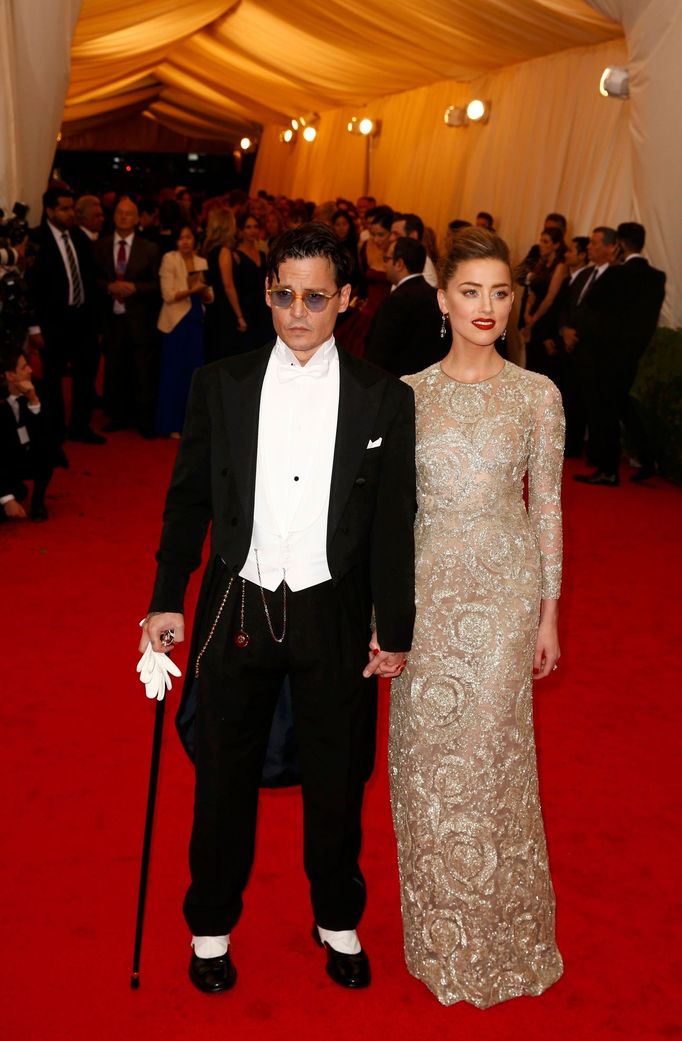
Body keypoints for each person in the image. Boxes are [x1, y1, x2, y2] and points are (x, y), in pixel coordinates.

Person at [138, 222, 416, 995]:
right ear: (266, 294)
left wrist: (393, 626)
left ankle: (338, 920)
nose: (299, 311)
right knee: (222, 780)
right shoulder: (219, 384)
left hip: (333, 611)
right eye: (285, 294)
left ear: (348, 299)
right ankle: (210, 929)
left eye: (317, 297)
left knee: (337, 780)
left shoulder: (382, 397)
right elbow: (187, 498)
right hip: (238, 605)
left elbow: (396, 521)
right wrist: (166, 597)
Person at [389, 227, 564, 1008]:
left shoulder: (537, 395)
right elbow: (390, 518)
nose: (486, 306)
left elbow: (548, 509)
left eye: (500, 292)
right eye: (471, 291)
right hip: (426, 595)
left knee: (491, 764)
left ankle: (503, 931)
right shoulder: (407, 393)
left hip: (501, 601)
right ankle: (440, 934)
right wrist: (381, 615)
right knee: (426, 770)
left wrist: (548, 615)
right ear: (442, 298)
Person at [27, 187, 103, 447]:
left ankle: (80, 426)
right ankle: (55, 431)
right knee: (52, 378)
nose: (71, 213)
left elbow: (91, 281)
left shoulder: (80, 239)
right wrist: (34, 326)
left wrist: (95, 321)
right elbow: (30, 287)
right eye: (64, 209)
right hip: (53, 322)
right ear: (49, 211)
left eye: (72, 208)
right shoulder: (36, 240)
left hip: (82, 319)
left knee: (86, 373)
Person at [94, 196, 161, 437]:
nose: (124, 217)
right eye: (120, 213)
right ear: (114, 216)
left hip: (139, 319)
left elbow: (157, 286)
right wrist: (108, 287)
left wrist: (135, 287)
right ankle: (118, 415)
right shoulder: (100, 246)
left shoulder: (150, 249)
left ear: (136, 218)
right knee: (114, 368)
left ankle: (144, 419)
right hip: (111, 319)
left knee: (142, 369)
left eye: (129, 213)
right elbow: (93, 280)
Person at [156, 223, 213, 437]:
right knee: (173, 375)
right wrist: (192, 290)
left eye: (188, 237)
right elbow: (168, 295)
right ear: (175, 241)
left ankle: (191, 426)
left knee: (194, 376)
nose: (185, 242)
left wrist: (204, 292)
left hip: (197, 323)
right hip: (175, 325)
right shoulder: (169, 259)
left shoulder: (202, 261)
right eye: (181, 238)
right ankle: (170, 424)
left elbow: (210, 296)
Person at [364, 237, 447, 375]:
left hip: (397, 382)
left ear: (399, 264)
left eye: (387, 259)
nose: (384, 265)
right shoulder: (434, 295)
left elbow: (378, 352)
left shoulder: (396, 301)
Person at [0, 344, 55, 522]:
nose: (31, 370)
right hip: (4, 457)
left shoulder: (38, 389)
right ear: (10, 376)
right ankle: (11, 490)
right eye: (24, 367)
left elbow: (47, 433)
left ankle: (37, 502)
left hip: (25, 453)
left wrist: (33, 401)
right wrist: (6, 498)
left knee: (48, 449)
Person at [232, 212, 274, 351]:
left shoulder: (263, 254)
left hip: (263, 308)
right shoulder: (235, 255)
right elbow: (232, 287)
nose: (252, 230)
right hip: (245, 308)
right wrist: (239, 316)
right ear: (241, 231)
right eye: (248, 227)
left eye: (255, 227)